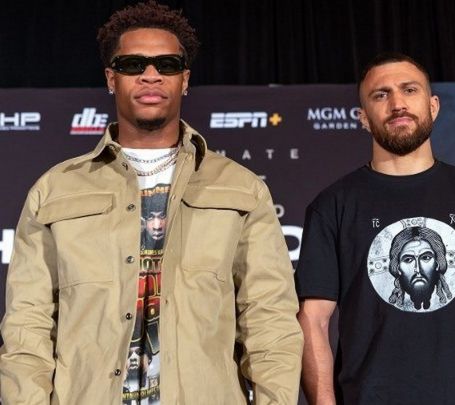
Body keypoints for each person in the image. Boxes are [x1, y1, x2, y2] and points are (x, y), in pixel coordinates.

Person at [0, 2, 303, 404]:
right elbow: (28, 326)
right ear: (111, 78)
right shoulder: (55, 190)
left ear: (185, 79)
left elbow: (269, 320)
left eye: (167, 64)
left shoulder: (240, 187)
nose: (150, 75)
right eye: (132, 65)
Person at [295, 52, 455, 404]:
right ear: (363, 118)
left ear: (433, 106)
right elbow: (313, 320)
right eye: (381, 94)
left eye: (409, 90)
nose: (397, 104)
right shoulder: (332, 205)